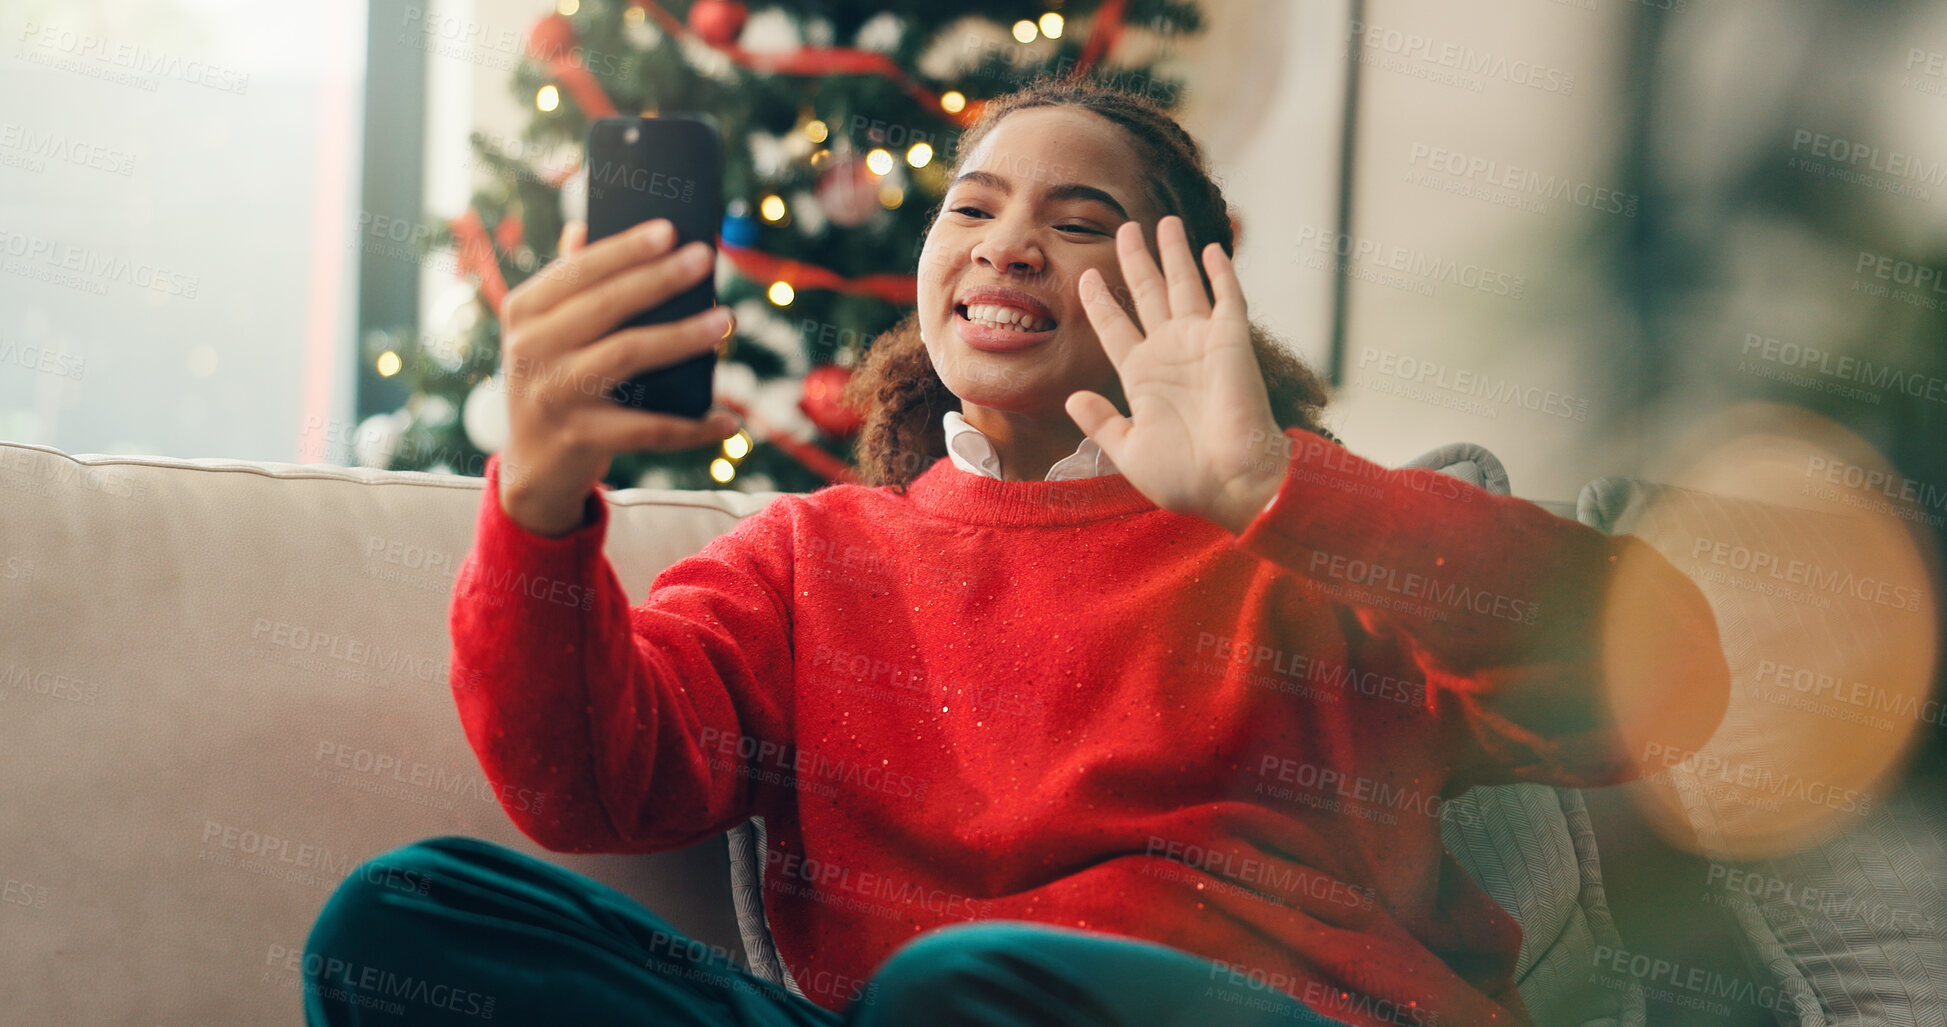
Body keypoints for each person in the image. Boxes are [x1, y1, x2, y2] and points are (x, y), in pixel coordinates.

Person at [303, 79, 1729, 1026]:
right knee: (408, 918)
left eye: (1080, 220)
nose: (1006, 245)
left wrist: (1270, 484)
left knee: (961, 989)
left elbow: (1660, 684)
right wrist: (540, 504)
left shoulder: (1311, 529)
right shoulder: (813, 555)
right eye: (971, 209)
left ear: (1190, 288)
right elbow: (588, 777)